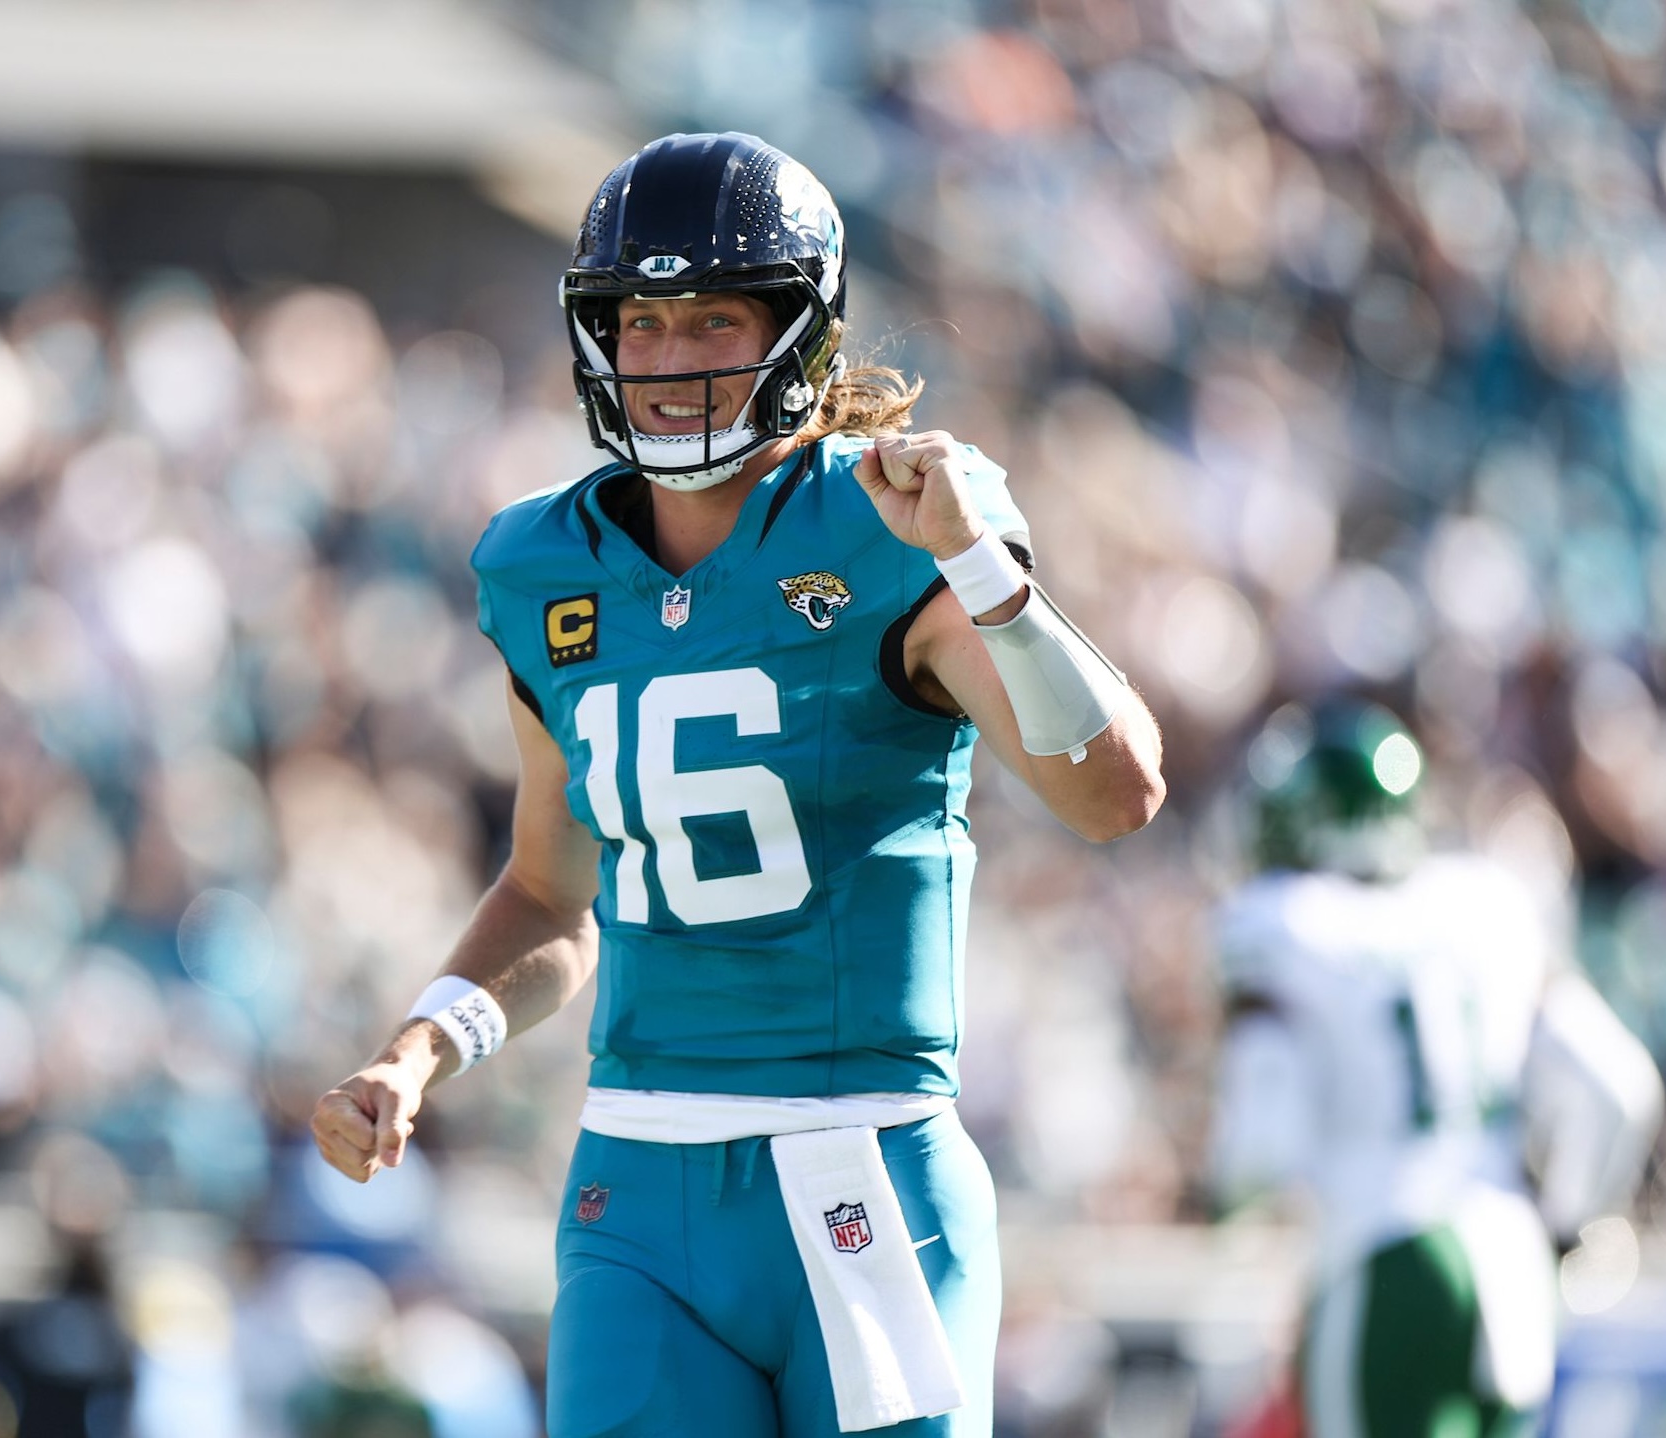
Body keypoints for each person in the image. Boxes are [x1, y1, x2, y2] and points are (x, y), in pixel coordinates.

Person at [309, 131, 1165, 1437]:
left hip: (862, 1159)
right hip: (637, 1185)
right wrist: (418, 1050)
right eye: (638, 323)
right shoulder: (545, 567)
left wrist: (982, 573)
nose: (666, 361)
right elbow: (550, 889)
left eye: (708, 316)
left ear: (799, 331)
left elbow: (1114, 794)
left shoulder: (887, 526)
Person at [1207, 700, 1662, 1438]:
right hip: (1512, 1270)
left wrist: (1223, 1198)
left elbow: (1261, 1146)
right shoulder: (1484, 904)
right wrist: (1565, 1226)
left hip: (1385, 1261)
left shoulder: (1282, 923)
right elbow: (1621, 1085)